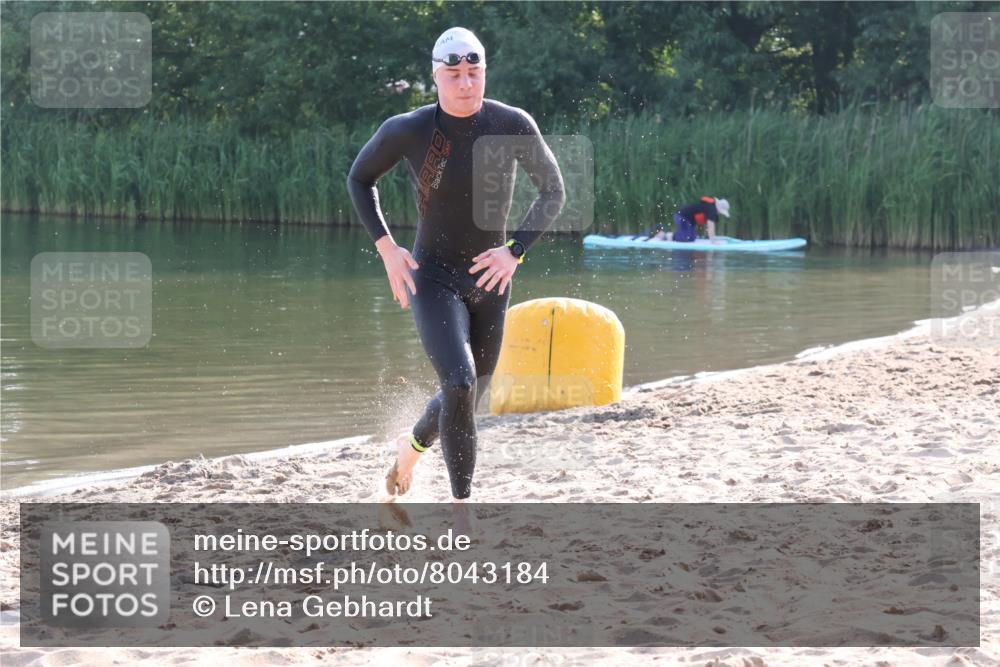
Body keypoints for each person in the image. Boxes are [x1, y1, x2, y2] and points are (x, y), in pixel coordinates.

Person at [346, 27, 565, 529]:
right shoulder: (410, 128)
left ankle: (413, 445)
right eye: (455, 74)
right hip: (434, 275)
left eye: (474, 72)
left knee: (465, 394)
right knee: (460, 381)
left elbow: (552, 192)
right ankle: (461, 512)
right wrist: (387, 249)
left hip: (491, 281)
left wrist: (515, 252)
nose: (466, 84)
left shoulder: (511, 123)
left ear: (484, 70)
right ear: (436, 76)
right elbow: (359, 179)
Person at [648, 196, 730, 242]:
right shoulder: (712, 209)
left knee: (692, 238)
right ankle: (664, 235)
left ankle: (669, 236)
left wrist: (712, 237)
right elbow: (710, 225)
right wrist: (713, 240)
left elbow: (710, 225)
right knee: (686, 238)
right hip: (682, 216)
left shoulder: (711, 209)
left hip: (688, 220)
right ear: (719, 208)